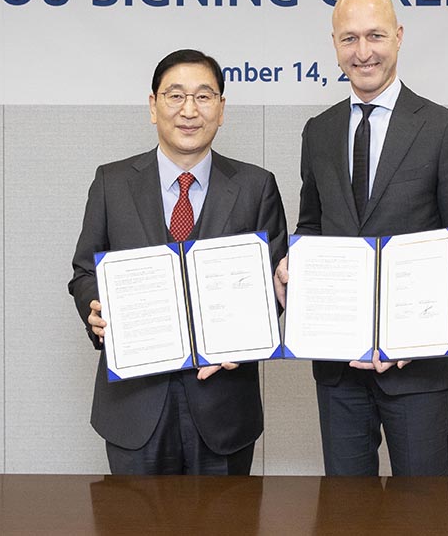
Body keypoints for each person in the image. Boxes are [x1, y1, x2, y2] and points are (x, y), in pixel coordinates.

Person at [273, 0, 448, 476]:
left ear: (399, 36)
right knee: (345, 514)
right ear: (334, 44)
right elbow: (312, 225)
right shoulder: (318, 131)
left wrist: (408, 336)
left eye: (374, 35)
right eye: (349, 39)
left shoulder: (442, 129)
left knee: (422, 514)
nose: (363, 51)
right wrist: (296, 266)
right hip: (337, 366)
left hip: (417, 370)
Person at [70, 48, 288, 475]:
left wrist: (249, 332)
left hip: (224, 406)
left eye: (204, 97)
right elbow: (84, 273)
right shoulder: (112, 183)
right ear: (153, 106)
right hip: (134, 406)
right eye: (175, 96)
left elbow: (274, 285)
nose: (190, 110)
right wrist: (94, 309)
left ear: (221, 109)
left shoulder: (256, 187)